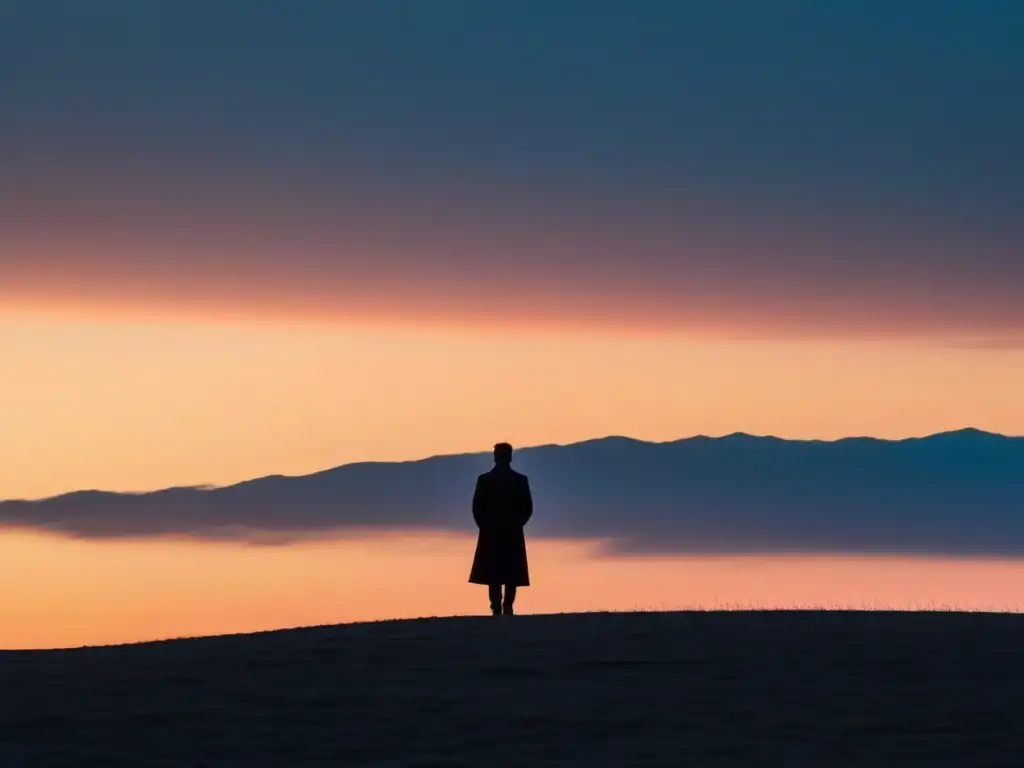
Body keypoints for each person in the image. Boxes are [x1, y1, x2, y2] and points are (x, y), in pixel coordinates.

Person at [468, 442, 533, 616]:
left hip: (493, 531)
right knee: (510, 572)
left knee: (494, 573)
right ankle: (506, 606)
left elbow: (477, 507)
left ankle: (497, 606)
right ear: (509, 457)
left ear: (495, 456)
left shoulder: (485, 480)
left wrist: (484, 524)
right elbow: (527, 508)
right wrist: (517, 523)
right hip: (509, 531)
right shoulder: (519, 480)